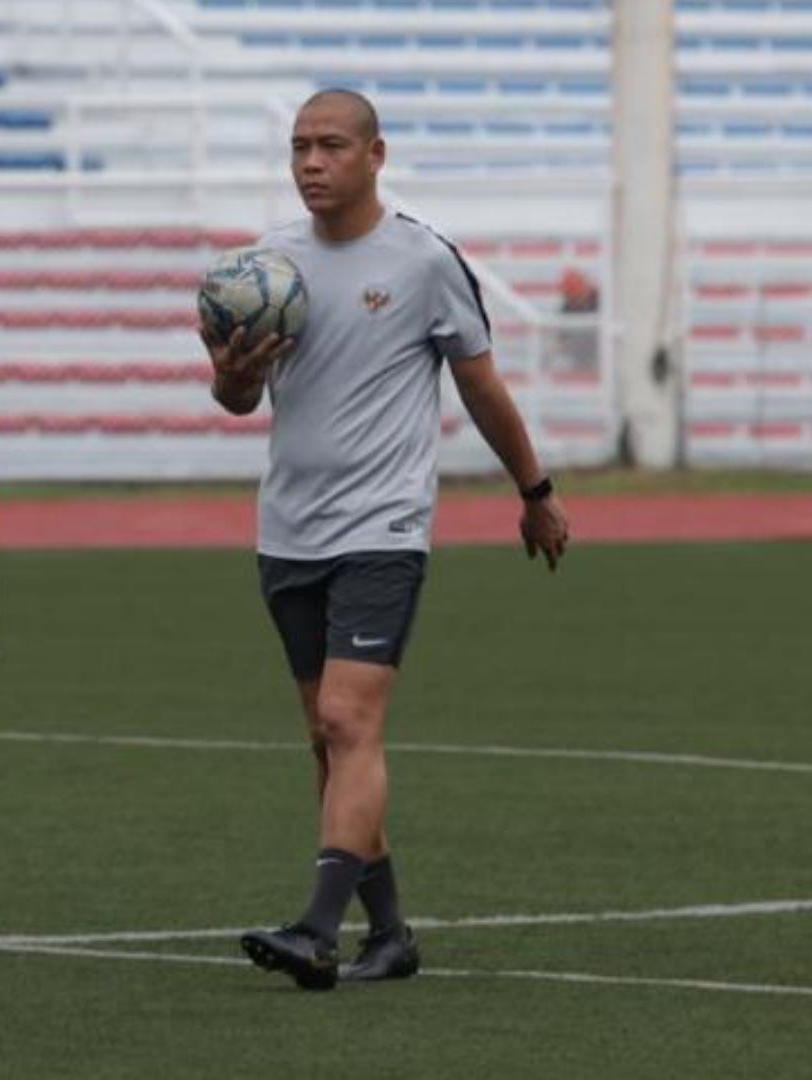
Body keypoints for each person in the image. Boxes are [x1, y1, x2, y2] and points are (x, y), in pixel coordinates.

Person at [207, 89, 570, 991]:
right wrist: (232, 375)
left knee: (348, 718)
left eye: (331, 145)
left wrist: (535, 491)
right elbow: (238, 402)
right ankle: (393, 935)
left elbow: (482, 386)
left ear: (377, 154)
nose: (310, 163)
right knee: (327, 744)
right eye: (298, 147)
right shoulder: (266, 268)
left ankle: (316, 929)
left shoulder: (421, 261)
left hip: (385, 526)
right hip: (289, 527)